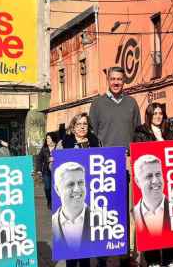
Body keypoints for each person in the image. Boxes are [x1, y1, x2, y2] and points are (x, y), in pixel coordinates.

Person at [89, 66, 141, 267]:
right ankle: (105, 251)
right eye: (113, 78)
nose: (116, 82)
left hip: (128, 160)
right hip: (105, 162)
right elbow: (91, 134)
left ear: (124, 81)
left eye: (120, 79)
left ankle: (126, 253)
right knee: (106, 208)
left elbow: (138, 132)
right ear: (108, 80)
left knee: (128, 209)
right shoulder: (98, 103)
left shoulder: (131, 103)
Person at [133, 102, 173, 267]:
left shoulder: (169, 132)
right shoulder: (140, 132)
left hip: (168, 179)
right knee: (150, 218)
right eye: (155, 113)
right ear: (149, 116)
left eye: (160, 113)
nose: (158, 116)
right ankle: (152, 259)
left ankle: (170, 257)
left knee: (169, 217)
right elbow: (139, 154)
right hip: (149, 181)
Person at [54, 113, 100, 267]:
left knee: (87, 241)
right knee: (71, 246)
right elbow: (54, 167)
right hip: (70, 196)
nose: (82, 126)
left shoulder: (95, 141)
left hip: (90, 192)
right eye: (78, 124)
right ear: (72, 127)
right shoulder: (64, 143)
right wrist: (51, 162)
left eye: (85, 124)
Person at [52, 162, 91, 267]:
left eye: (81, 182)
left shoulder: (100, 218)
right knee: (70, 263)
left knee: (85, 262)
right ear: (57, 189)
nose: (77, 189)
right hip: (68, 258)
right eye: (70, 184)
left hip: (88, 257)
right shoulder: (53, 222)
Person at [36, 132, 57, 209]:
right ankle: (49, 200)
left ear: (53, 139)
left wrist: (55, 159)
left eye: (48, 138)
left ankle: (55, 202)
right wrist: (39, 170)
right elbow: (39, 159)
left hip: (56, 171)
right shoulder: (44, 148)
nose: (47, 140)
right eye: (46, 138)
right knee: (47, 187)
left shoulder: (58, 147)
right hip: (46, 171)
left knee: (55, 187)